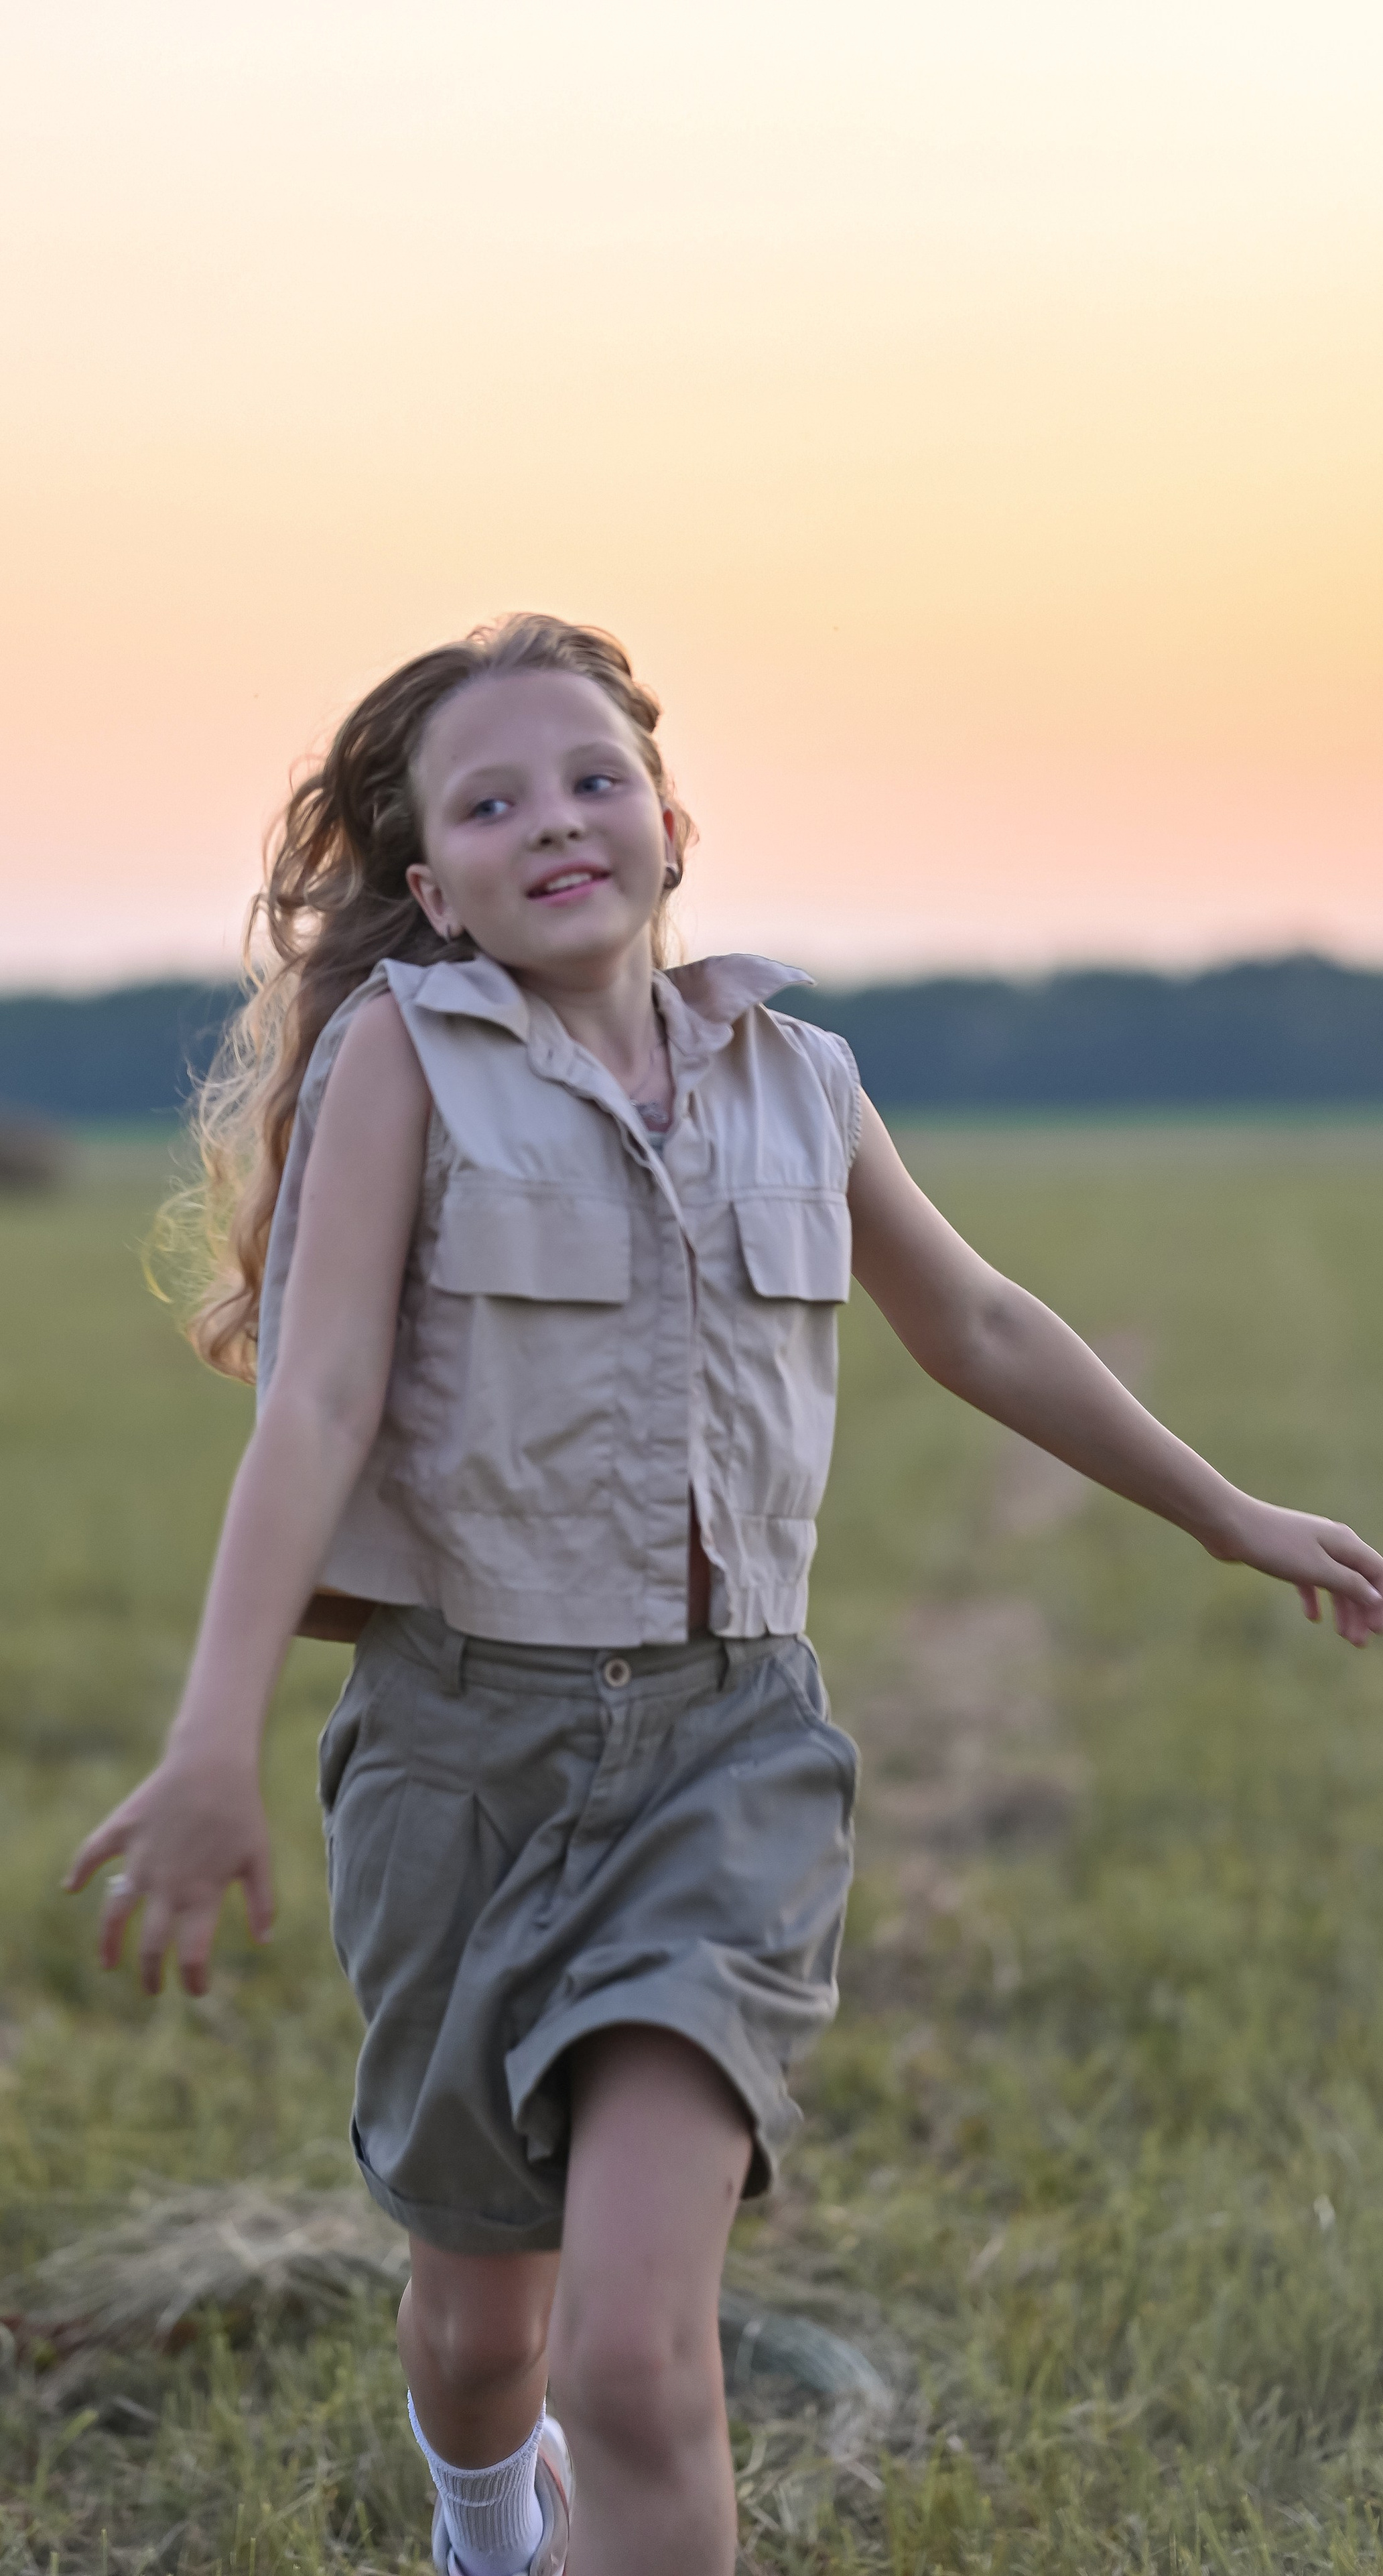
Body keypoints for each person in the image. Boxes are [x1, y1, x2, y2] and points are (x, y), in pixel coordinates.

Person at [66, 614, 1382, 2576]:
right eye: (492, 802)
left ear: (674, 821)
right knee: (488, 2320)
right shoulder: (404, 1060)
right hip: (462, 1764)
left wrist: (1226, 1510)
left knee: (633, 2353)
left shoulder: (803, 1078)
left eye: (593, 776)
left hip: (727, 1758)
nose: (556, 820)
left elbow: (985, 1321)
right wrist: (208, 1742)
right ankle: (484, 2519)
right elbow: (320, 1396)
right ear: (433, 887)